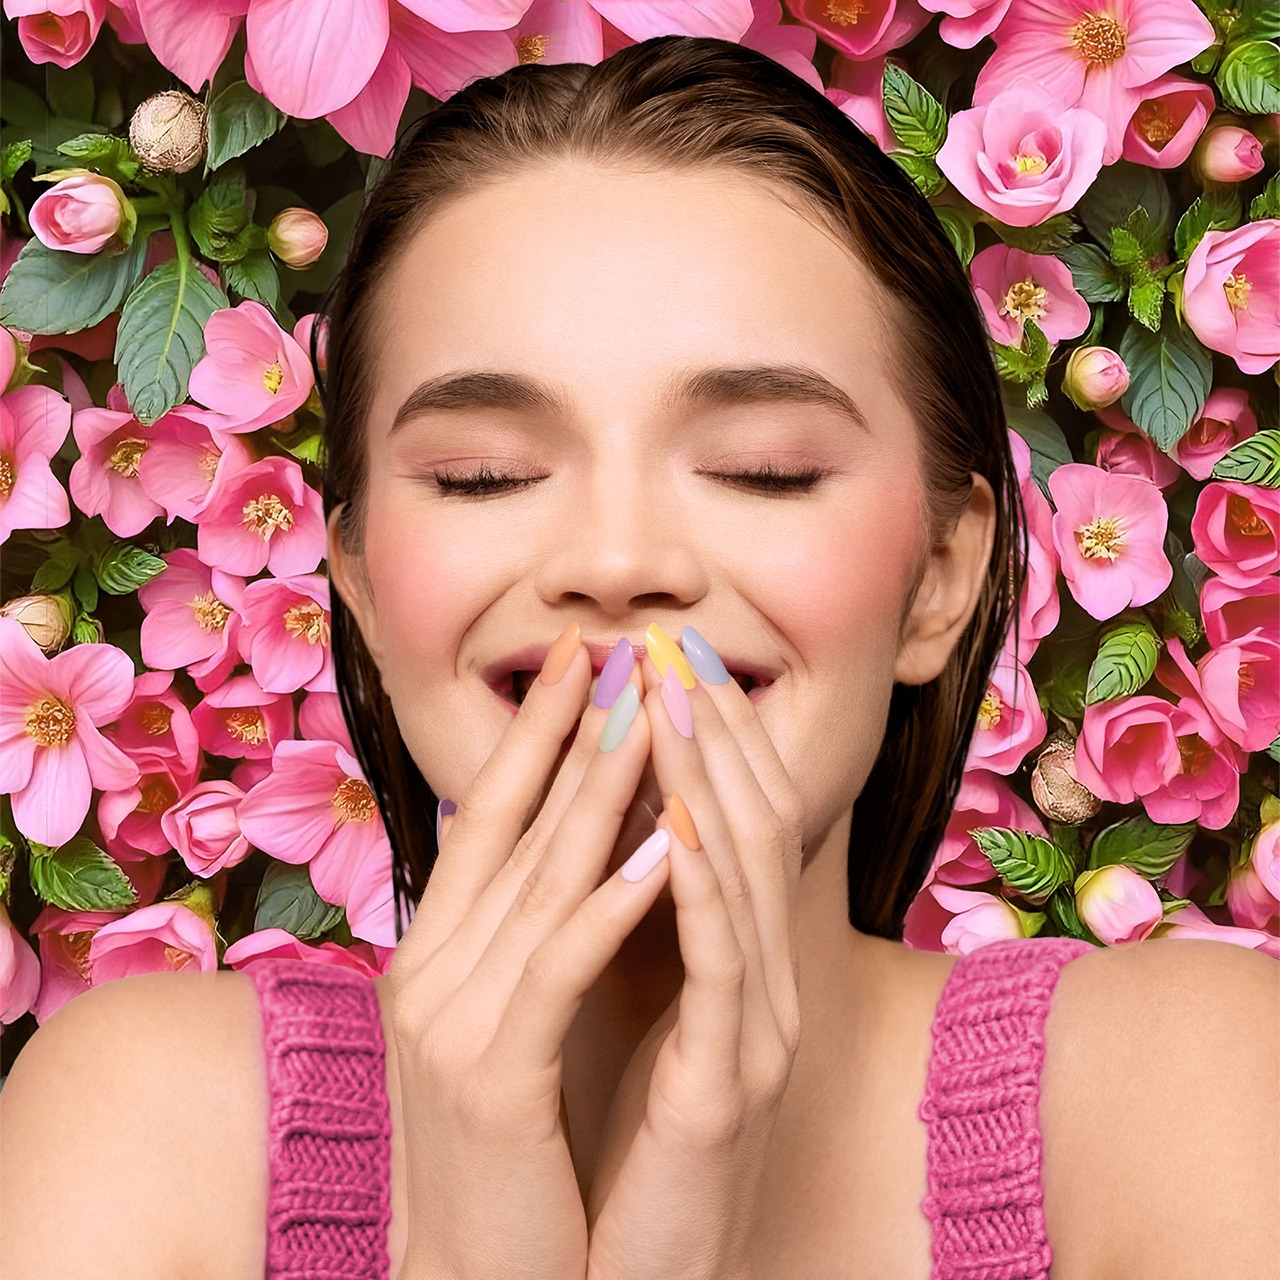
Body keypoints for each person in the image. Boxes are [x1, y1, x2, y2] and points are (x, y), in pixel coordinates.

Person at [1, 34, 1276, 1280]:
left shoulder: (1187, 1092)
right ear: (365, 592)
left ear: (940, 577)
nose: (614, 560)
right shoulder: (146, 1121)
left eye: (761, 468)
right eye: (481, 473)